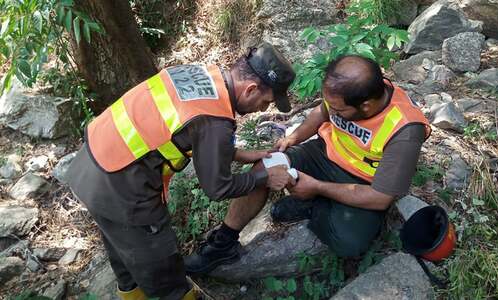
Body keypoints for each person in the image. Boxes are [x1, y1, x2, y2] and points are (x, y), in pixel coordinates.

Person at [66, 43, 296, 300]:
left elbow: (181, 129)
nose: (264, 110)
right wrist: (265, 176)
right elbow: (218, 187)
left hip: (91, 165)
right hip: (123, 191)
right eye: (266, 102)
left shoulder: (201, 74)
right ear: (251, 89)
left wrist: (238, 154)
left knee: (125, 257)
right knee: (165, 275)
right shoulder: (216, 122)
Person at [185, 55, 431, 275]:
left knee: (349, 243)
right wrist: (294, 138)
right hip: (322, 154)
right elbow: (320, 113)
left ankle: (314, 205)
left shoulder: (405, 129)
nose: (331, 110)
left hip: (363, 181)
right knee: (264, 168)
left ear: (365, 106)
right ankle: (222, 243)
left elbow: (381, 198)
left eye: (338, 109)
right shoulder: (345, 93)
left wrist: (317, 188)